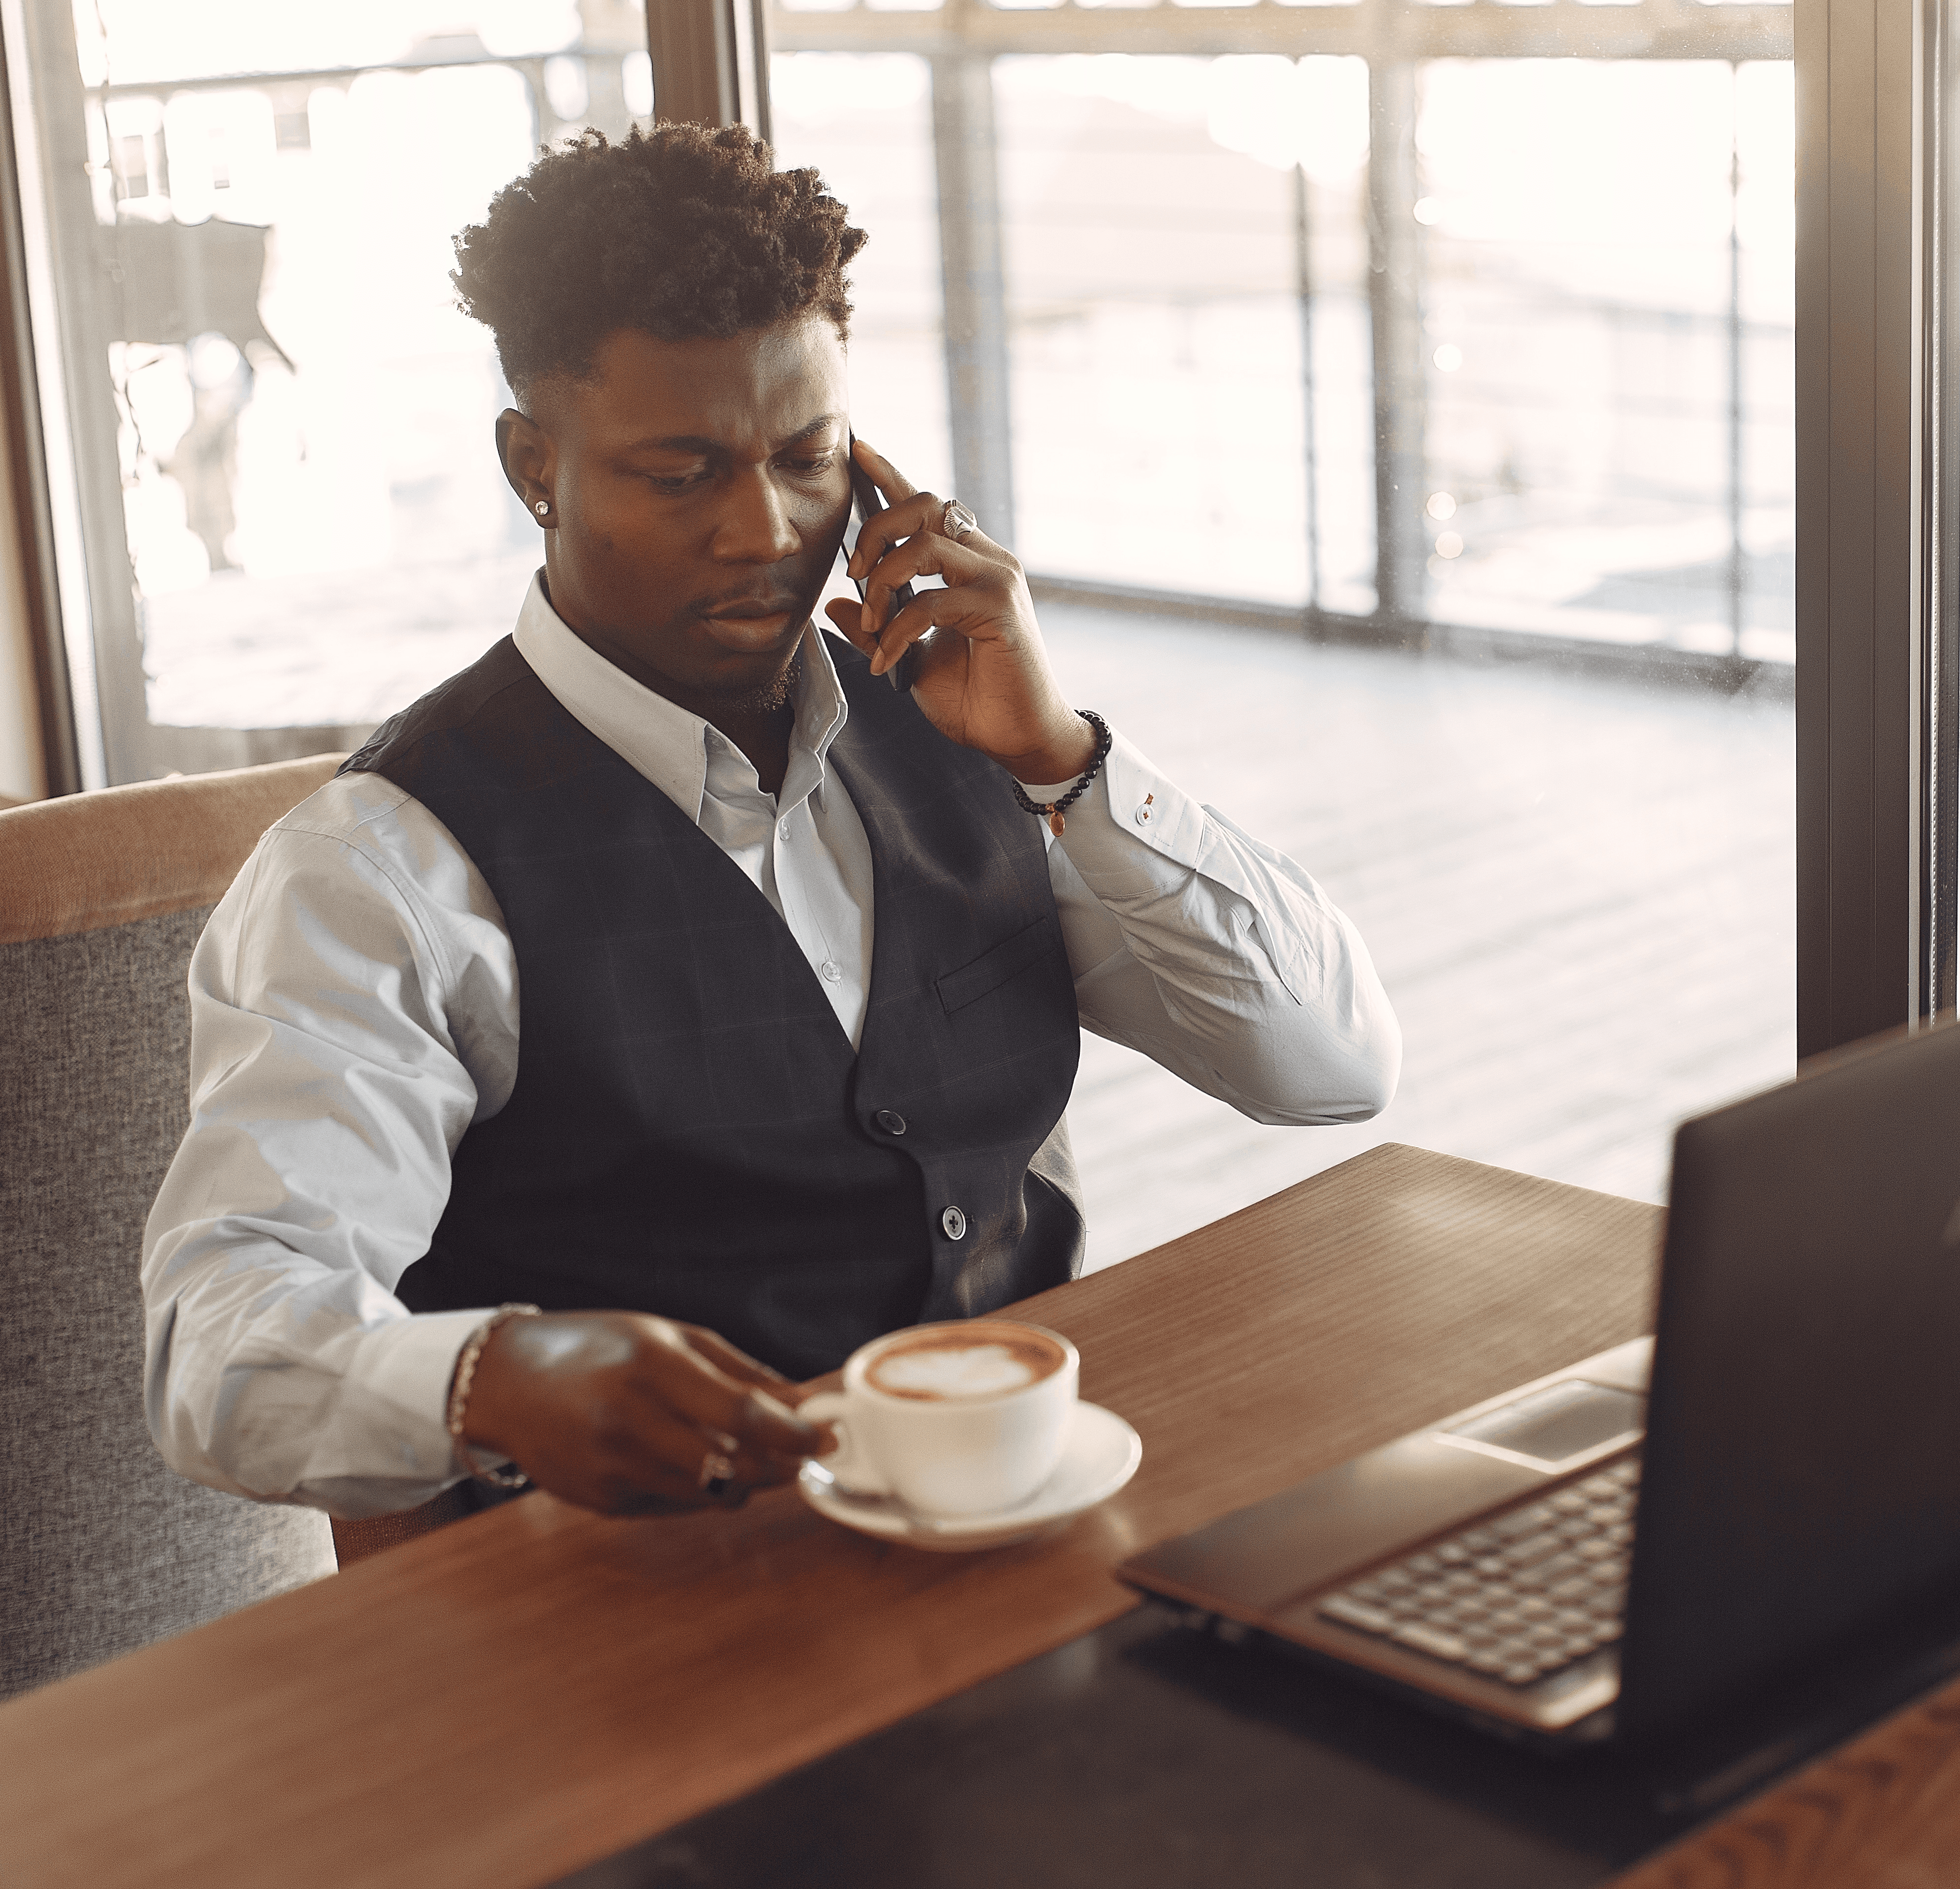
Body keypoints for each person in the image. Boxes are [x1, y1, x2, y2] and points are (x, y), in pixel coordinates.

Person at [140, 123, 1399, 1525]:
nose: (762, 530)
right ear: (532, 468)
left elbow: (1329, 1069)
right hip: (649, 1605)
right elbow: (219, 1343)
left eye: (809, 459)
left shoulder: (965, 731)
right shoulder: (384, 867)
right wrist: (488, 1379)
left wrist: (1066, 760)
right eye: (680, 474)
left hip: (1027, 1513)